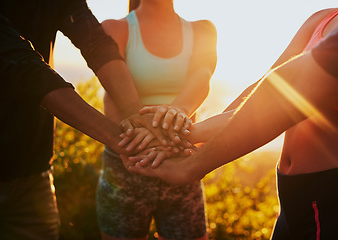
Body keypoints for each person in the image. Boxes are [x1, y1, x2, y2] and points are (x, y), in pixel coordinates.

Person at [124, 8, 338, 240]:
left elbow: (284, 98)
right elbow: (266, 90)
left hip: (326, 196)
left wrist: (185, 140)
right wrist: (195, 144)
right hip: (289, 194)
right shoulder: (322, 19)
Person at [0, 0, 159, 238]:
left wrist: (136, 116)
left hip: (34, 170)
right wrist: (124, 140)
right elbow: (24, 66)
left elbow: (95, 41)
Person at [95, 0, 217, 239]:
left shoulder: (203, 30)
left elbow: (201, 79)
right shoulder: (113, 29)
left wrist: (176, 113)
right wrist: (159, 138)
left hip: (180, 159)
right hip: (126, 162)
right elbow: (112, 99)